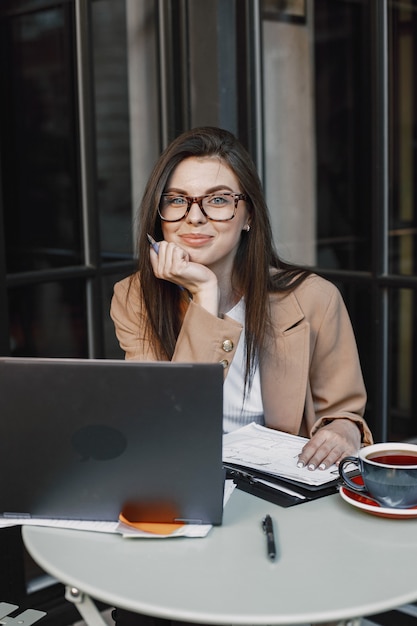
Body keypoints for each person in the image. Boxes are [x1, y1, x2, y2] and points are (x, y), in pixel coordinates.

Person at [110, 126, 372, 624]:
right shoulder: (134, 298)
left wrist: (340, 430)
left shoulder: (313, 297)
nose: (195, 217)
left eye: (218, 200)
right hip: (180, 495)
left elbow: (345, 412)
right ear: (158, 213)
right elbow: (166, 425)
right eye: (177, 200)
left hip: (278, 507)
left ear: (248, 213)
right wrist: (205, 299)